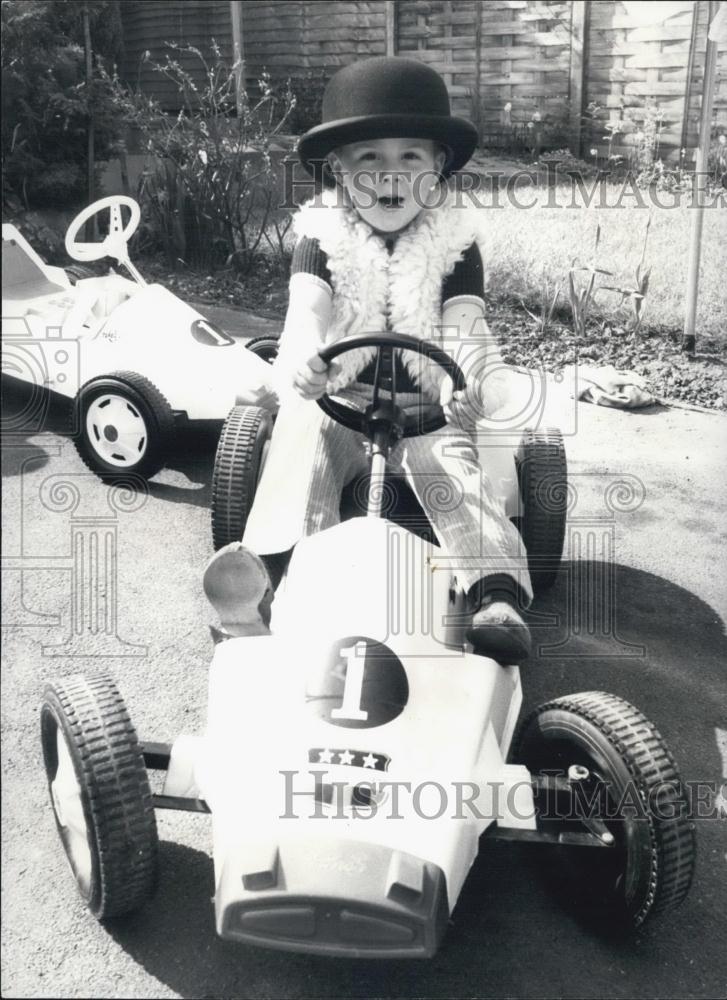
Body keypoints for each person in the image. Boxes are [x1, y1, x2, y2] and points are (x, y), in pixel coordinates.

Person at [204, 56, 532, 662]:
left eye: (411, 157)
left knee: (454, 468)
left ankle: (495, 594)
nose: (391, 174)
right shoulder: (321, 237)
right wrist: (305, 360)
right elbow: (307, 313)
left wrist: (471, 375)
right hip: (343, 398)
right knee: (303, 438)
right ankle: (267, 580)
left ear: (438, 170)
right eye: (369, 158)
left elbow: (465, 324)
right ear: (337, 171)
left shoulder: (454, 246)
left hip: (427, 405)